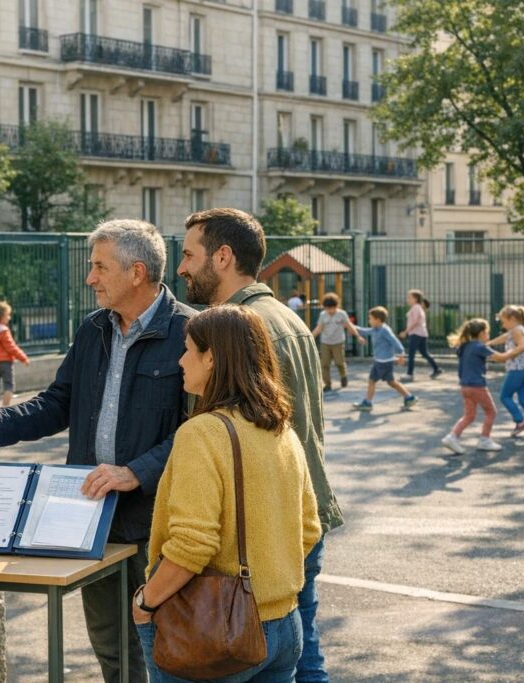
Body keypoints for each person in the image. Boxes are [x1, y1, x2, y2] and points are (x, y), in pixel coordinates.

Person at [0, 219, 195, 683]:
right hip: (93, 520)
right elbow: (58, 402)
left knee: (169, 651)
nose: (89, 278)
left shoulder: (190, 332)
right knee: (113, 650)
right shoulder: (93, 329)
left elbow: (198, 432)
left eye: (99, 267)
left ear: (136, 272)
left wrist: (135, 471)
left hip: (159, 524)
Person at [175, 208, 342, 683]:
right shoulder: (287, 317)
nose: (182, 268)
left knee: (266, 657)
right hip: (301, 513)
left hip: (262, 532)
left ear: (223, 257)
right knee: (301, 649)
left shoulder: (239, 331)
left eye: (189, 255)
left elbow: (228, 440)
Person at [133, 305, 322, 683]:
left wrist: (145, 602)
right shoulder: (281, 430)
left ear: (212, 358)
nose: (180, 360)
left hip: (213, 628)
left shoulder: (201, 433)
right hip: (285, 625)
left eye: (188, 349)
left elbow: (192, 545)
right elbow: (309, 528)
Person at [440, 318, 513, 455]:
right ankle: (484, 440)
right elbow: (500, 358)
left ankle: (452, 437)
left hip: (465, 386)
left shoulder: (464, 346)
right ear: (481, 333)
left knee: (469, 415)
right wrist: (517, 351)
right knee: (491, 412)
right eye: (487, 333)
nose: (488, 335)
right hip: (477, 386)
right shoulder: (480, 347)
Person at [488, 305, 524, 438]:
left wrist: (504, 356)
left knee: (505, 397)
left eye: (504, 321)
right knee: (523, 399)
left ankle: (520, 421)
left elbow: (521, 347)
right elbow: (503, 338)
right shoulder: (518, 329)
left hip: (518, 370)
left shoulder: (517, 330)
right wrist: (488, 344)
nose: (502, 325)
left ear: (512, 319)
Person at [351, 307, 417, 412]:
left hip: (382, 362)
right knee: (391, 382)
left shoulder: (384, 330)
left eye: (370, 318)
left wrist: (401, 353)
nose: (369, 321)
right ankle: (409, 397)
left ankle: (367, 403)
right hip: (384, 361)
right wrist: (350, 325)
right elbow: (364, 331)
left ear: (377, 320)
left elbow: (395, 341)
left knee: (372, 381)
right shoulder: (376, 329)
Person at [0, 300, 30, 409]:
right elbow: (11, 347)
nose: (9, 318)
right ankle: (4, 409)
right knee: (9, 385)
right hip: (5, 362)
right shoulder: (3, 331)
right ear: (1, 317)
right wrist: (23, 358)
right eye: (7, 315)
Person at [311, 293, 365, 392]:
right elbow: (318, 328)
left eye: (332, 308)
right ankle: (327, 384)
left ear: (336, 306)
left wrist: (358, 336)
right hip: (325, 343)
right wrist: (310, 338)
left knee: (339, 362)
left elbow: (349, 326)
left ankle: (343, 375)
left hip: (338, 342)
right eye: (328, 308)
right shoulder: (323, 315)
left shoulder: (342, 314)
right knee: (324, 364)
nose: (330, 310)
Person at [399, 289, 442, 381]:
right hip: (422, 333)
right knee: (424, 353)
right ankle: (437, 369)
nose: (407, 299)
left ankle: (409, 374)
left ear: (415, 299)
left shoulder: (416, 308)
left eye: (409, 297)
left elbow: (415, 321)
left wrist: (405, 331)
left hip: (416, 334)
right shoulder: (418, 308)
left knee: (411, 354)